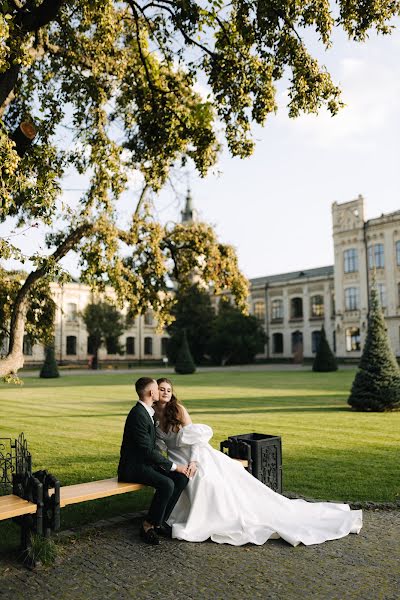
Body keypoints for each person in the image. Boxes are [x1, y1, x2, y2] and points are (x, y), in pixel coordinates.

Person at [154, 377, 363, 547]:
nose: (165, 393)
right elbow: (159, 446)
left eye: (169, 390)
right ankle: (165, 517)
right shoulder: (154, 415)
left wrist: (194, 462)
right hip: (175, 459)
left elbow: (196, 440)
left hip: (196, 455)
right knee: (182, 481)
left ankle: (212, 518)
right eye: (162, 389)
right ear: (155, 392)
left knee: (205, 481)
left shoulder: (178, 410)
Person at [118, 377, 190, 545]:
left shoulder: (146, 412)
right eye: (158, 389)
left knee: (181, 478)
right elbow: (146, 451)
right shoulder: (138, 415)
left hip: (145, 464)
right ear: (152, 393)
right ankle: (147, 525)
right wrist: (174, 466)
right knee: (167, 484)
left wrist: (173, 468)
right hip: (133, 468)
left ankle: (160, 522)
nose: (160, 391)